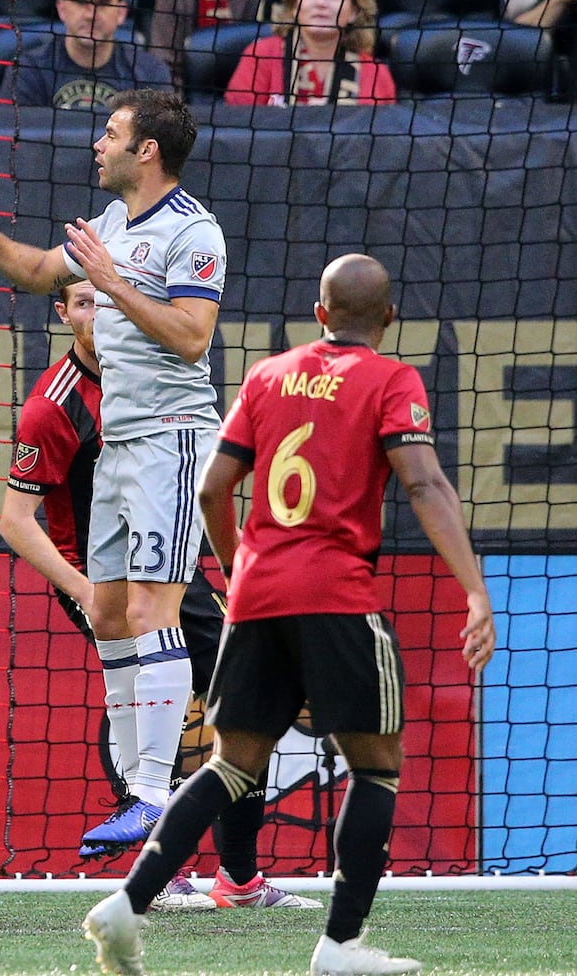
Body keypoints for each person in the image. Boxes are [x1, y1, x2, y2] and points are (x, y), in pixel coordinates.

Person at [81, 253, 497, 976]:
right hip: (337, 597)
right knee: (377, 769)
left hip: (257, 596)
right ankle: (340, 949)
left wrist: (242, 567)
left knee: (232, 765)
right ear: (389, 320)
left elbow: (213, 489)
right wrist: (475, 591)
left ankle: (125, 905)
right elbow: (424, 482)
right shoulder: (391, 378)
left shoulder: (269, 376)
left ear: (320, 313)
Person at [0, 86, 225, 879]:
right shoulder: (107, 225)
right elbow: (38, 269)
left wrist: (114, 282)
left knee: (151, 608)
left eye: (109, 134)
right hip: (119, 446)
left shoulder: (192, 232)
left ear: (147, 151)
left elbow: (191, 337)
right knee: (107, 612)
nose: (95, 145)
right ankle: (144, 793)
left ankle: (148, 790)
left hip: (172, 439)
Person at [1, 278, 320, 911]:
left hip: (168, 569)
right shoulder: (53, 407)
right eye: (84, 303)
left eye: (107, 300)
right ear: (64, 315)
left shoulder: (151, 377)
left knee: (246, 696)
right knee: (152, 694)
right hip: (98, 576)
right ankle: (159, 864)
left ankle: (238, 879)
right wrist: (87, 592)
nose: (99, 314)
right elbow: (14, 520)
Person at [5, 0, 173, 110]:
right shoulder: (28, 69)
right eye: (80, 1)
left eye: (102, 3)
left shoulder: (150, 73)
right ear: (61, 9)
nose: (90, 14)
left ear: (121, 12)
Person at [224, 0, 397, 105]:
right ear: (294, 6)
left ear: (354, 11)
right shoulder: (261, 56)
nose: (321, 3)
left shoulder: (375, 74)